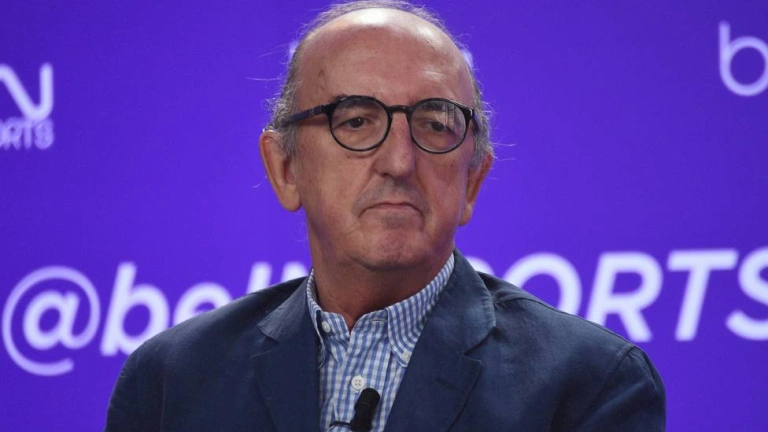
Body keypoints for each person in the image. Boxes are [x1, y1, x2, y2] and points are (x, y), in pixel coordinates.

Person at [105, 1, 666, 431]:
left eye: (435, 125)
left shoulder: (590, 385)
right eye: (355, 121)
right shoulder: (172, 382)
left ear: (472, 180)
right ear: (285, 168)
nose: (399, 161)